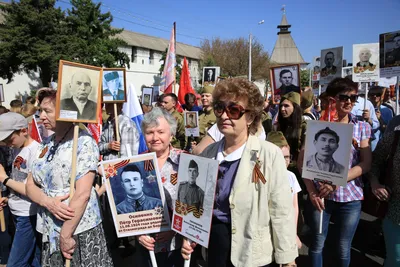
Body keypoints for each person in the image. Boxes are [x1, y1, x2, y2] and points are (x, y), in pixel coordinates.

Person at [181, 78, 298, 267]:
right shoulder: (208, 154)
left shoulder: (269, 154)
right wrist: (189, 235)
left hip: (252, 249)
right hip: (215, 246)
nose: (224, 116)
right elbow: (196, 203)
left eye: (233, 110)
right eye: (220, 108)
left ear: (250, 117)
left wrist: (287, 258)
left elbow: (281, 211)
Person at [25, 88, 113, 266]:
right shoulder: (45, 144)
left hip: (77, 230)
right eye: (40, 110)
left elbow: (83, 193)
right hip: (50, 227)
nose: (41, 116)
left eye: (47, 111)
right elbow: (30, 184)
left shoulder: (84, 142)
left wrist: (66, 235)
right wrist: (47, 201)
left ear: (64, 111)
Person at [302, 77, 372, 267]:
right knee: (317, 244)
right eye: (344, 97)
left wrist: (337, 180)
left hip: (350, 198)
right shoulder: (316, 127)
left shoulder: (361, 127)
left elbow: (366, 164)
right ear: (332, 99)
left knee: (343, 247)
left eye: (353, 98)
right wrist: (311, 191)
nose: (349, 102)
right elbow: (303, 163)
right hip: (320, 196)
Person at [136, 107, 185, 267]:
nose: (155, 137)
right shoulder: (135, 164)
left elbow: (195, 204)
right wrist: (137, 233)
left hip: (177, 245)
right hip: (146, 244)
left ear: (171, 135)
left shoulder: (185, 161)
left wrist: (175, 229)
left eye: (160, 132)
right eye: (150, 132)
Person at [0, 112, 41, 267]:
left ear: (24, 130)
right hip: (17, 211)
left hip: (28, 214)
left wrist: (4, 179)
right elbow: (19, 180)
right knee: (35, 259)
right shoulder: (17, 148)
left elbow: (31, 190)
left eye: (9, 138)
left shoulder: (36, 151)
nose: (7, 143)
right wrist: (9, 197)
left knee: (15, 263)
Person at [369, 116, 400, 267]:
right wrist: (375, 184)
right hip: (395, 209)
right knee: (396, 258)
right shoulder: (393, 138)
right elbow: (374, 163)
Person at [267, 131, 302, 250]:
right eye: (279, 157)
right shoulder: (262, 178)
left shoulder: (291, 176)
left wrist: (293, 233)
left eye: (287, 157)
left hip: (286, 231)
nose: (284, 162)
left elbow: (294, 207)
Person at [275, 91, 306, 170]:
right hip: (280, 166)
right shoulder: (279, 125)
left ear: (295, 107)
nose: (282, 109)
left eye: (286, 106)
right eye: (281, 106)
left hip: (297, 169)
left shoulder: (304, 126)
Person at [368, 86, 394, 150]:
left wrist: (380, 119)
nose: (375, 96)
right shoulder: (365, 109)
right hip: (366, 144)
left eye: (378, 94)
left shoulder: (387, 110)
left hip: (380, 145)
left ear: (382, 96)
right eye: (372, 94)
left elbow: (389, 130)